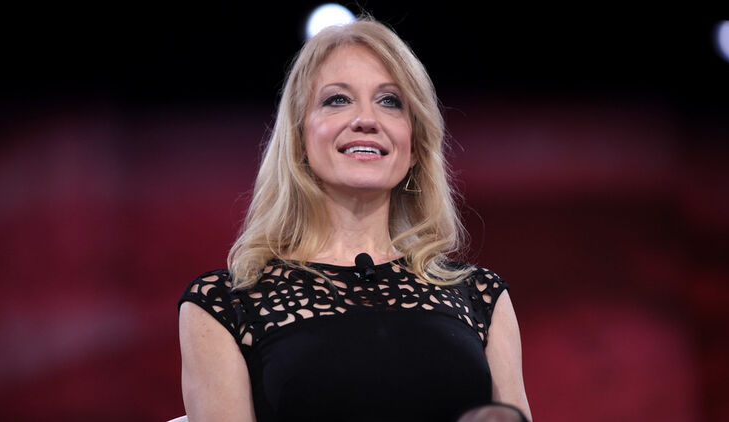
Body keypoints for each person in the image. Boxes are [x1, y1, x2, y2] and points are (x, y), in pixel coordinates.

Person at [177, 16, 531, 422]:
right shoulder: (225, 304)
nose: (366, 119)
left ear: (415, 146)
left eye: (390, 101)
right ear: (299, 138)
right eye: (338, 100)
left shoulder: (480, 296)